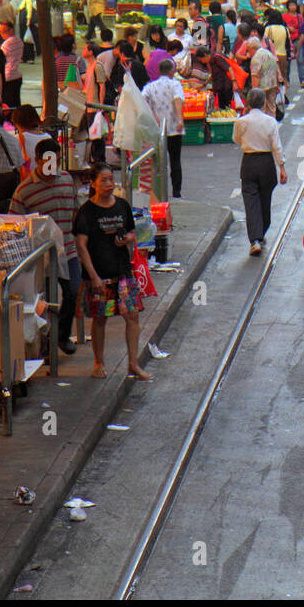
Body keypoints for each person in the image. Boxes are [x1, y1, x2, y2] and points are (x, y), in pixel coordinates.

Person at [74, 162, 148, 380]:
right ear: (93, 183)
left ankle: (133, 364)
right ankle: (99, 363)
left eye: (111, 180)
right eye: (104, 180)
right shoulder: (86, 212)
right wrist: (94, 276)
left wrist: (127, 239)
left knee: (132, 316)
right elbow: (81, 247)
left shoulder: (122, 205)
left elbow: (132, 232)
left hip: (123, 271)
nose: (109, 184)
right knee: (100, 319)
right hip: (100, 275)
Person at [10, 138, 80, 354]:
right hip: (43, 257)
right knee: (46, 301)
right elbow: (15, 225)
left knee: (73, 291)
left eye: (56, 161)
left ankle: (62, 336)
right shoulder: (24, 191)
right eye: (49, 161)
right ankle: (47, 344)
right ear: (38, 160)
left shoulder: (67, 180)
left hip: (68, 250)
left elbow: (75, 210)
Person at [233, 88, 287, 257]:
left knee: (251, 201)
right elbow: (276, 146)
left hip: (248, 162)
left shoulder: (241, 121)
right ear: (264, 102)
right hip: (266, 163)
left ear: (248, 103)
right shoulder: (270, 121)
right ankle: (261, 232)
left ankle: (255, 240)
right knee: (265, 199)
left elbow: (236, 139)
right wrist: (282, 166)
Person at [143, 59, 186, 198]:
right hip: (174, 128)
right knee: (175, 161)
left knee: (157, 162)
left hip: (156, 129)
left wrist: (153, 116)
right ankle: (176, 192)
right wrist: (180, 119)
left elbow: (143, 102)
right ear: (172, 71)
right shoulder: (175, 84)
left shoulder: (150, 86)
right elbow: (178, 99)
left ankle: (158, 192)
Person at [0, 21, 24, 108]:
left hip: (7, 76)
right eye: (0, 32)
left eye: (4, 31)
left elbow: (1, 57)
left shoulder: (6, 44)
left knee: (8, 104)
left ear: (11, 30)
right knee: (16, 102)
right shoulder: (19, 41)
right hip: (17, 74)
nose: (2, 34)